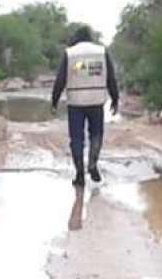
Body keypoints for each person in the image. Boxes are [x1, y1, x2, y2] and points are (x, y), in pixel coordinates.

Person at [51, 25, 120, 187]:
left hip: (76, 102)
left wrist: (54, 101)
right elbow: (111, 77)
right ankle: (92, 164)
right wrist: (115, 99)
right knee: (96, 134)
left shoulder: (70, 53)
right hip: (97, 100)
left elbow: (60, 79)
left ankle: (80, 174)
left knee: (76, 138)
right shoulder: (101, 52)